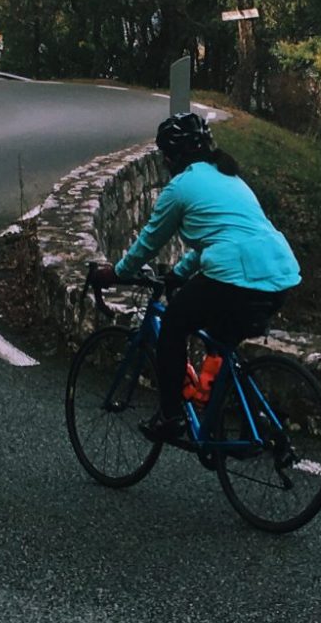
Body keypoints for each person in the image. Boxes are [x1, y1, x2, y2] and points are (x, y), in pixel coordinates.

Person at [90, 112, 300, 442]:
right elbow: (216, 241)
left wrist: (116, 273)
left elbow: (148, 242)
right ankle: (251, 418)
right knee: (222, 337)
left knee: (173, 326)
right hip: (280, 274)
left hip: (235, 278)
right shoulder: (231, 178)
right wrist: (179, 273)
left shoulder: (180, 187)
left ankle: (171, 416)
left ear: (173, 156)